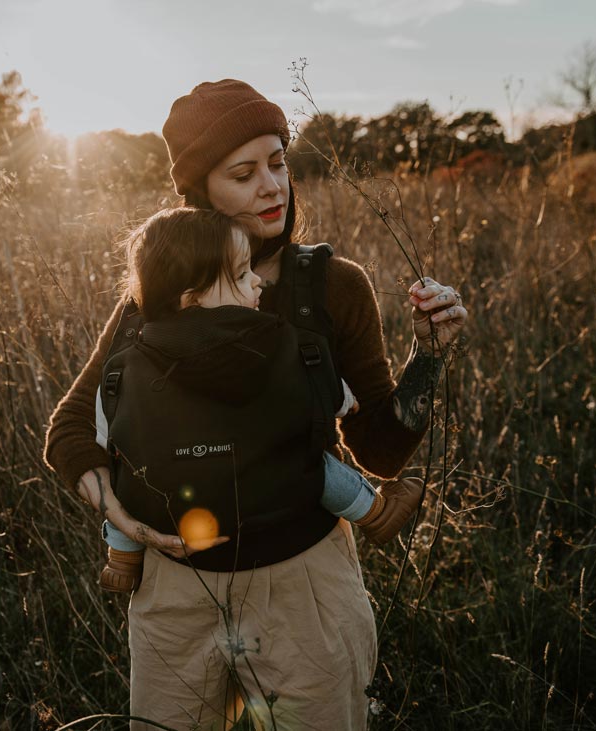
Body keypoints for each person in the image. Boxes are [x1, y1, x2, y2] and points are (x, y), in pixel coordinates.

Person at [43, 79, 470, 729]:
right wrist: (126, 524)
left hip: (304, 588)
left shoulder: (333, 284)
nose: (272, 186)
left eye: (278, 162)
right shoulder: (161, 293)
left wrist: (429, 355)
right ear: (199, 193)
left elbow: (379, 449)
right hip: (176, 592)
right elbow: (72, 429)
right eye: (243, 173)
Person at [93, 206, 424, 594]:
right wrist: (345, 400)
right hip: (272, 492)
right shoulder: (269, 340)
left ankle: (122, 557)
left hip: (173, 506)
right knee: (312, 463)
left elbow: (108, 430)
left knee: (127, 479)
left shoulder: (132, 357)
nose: (257, 283)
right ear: (192, 299)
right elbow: (315, 387)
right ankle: (375, 513)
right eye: (240, 275)